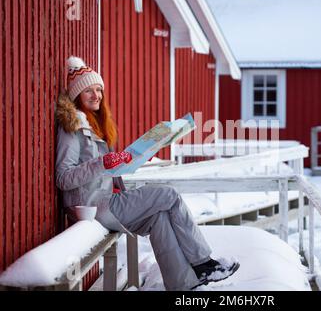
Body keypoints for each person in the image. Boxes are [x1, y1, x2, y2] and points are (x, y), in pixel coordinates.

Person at [55, 56, 239, 290]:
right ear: (77, 96)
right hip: (93, 207)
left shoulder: (96, 126)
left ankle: (183, 286)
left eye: (99, 89)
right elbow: (63, 178)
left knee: (159, 218)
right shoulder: (72, 129)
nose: (96, 95)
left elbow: (104, 170)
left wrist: (131, 159)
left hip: (110, 201)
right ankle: (203, 263)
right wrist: (103, 163)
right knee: (169, 196)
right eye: (88, 91)